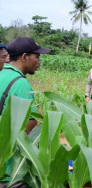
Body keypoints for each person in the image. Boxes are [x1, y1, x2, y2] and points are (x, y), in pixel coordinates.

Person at [0, 37, 51, 187]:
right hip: (11, 171)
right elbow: (28, 130)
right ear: (24, 57)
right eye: (37, 56)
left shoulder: (1, 74)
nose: (39, 62)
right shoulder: (20, 83)